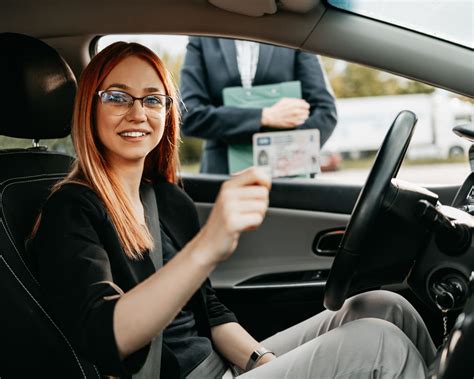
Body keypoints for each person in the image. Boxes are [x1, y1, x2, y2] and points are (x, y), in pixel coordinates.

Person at [28, 42, 436, 379]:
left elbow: (211, 313)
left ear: (167, 112)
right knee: (379, 345)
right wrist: (207, 246)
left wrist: (259, 362)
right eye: (117, 97)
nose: (138, 113)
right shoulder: (71, 209)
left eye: (153, 99)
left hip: (221, 368)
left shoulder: (168, 200)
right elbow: (104, 336)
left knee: (384, 306)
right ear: (89, 107)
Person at [180, 36, 338, 174]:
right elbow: (189, 115)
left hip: (288, 173)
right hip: (221, 174)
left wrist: (281, 157)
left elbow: (325, 112)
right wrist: (264, 116)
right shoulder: (202, 38)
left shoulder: (294, 35)